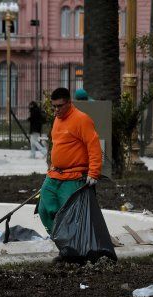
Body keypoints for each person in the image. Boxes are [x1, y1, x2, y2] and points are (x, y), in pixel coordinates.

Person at [38, 87, 102, 239]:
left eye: (59, 106)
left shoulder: (81, 119)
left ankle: (70, 242)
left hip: (74, 177)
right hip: (54, 174)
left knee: (69, 213)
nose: (56, 110)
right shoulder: (57, 120)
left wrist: (93, 172)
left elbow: (94, 146)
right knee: (44, 208)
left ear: (69, 103)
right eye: (54, 106)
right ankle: (59, 238)